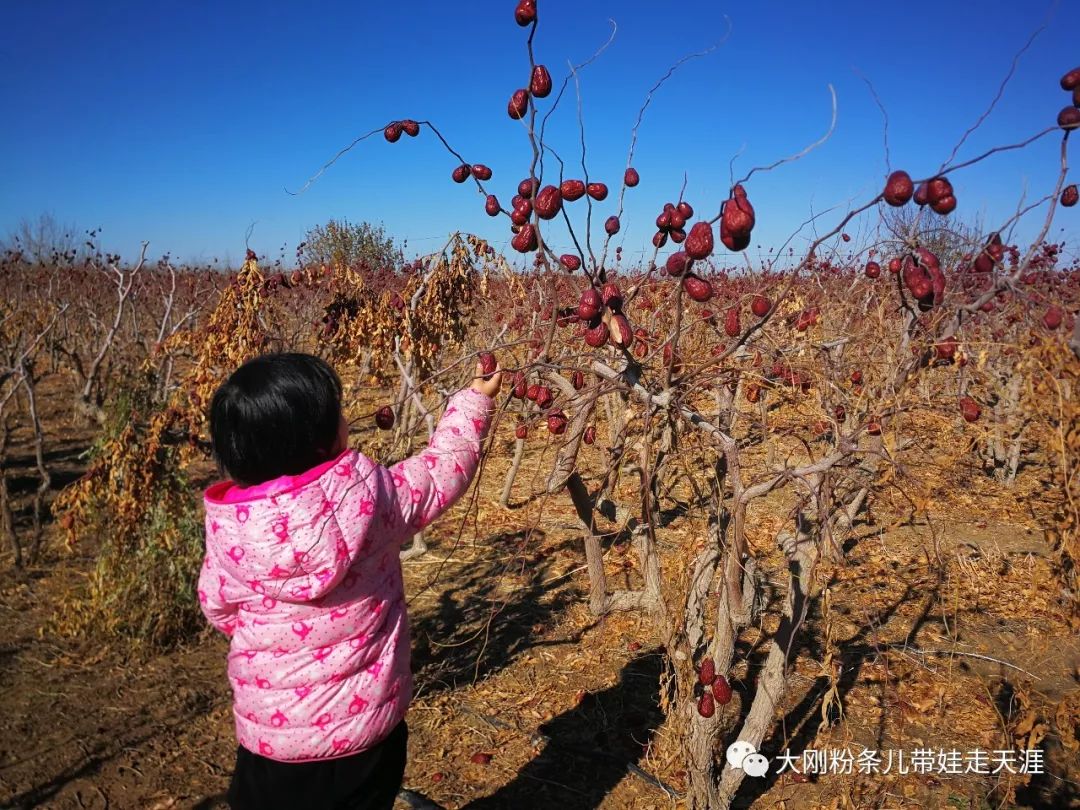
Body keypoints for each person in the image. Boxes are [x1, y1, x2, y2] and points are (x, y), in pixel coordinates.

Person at [198, 352, 501, 810]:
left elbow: (217, 606)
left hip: (271, 737)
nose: (346, 418)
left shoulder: (232, 527)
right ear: (318, 438)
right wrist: (475, 399)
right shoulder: (370, 497)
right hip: (365, 731)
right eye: (337, 411)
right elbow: (440, 473)